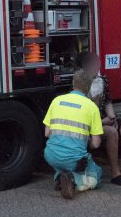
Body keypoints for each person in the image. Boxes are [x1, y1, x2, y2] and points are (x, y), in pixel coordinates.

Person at [78, 52, 121, 186]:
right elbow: (81, 116)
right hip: (88, 125)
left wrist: (112, 117)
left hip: (104, 120)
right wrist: (103, 122)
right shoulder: (80, 83)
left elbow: (107, 101)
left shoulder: (102, 79)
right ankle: (116, 174)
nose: (97, 66)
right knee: (111, 132)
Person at [43, 69, 104, 199]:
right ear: (89, 87)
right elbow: (96, 144)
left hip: (50, 155)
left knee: (62, 164)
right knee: (97, 174)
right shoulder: (91, 107)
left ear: (73, 83)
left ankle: (60, 177)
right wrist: (85, 142)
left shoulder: (57, 100)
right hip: (74, 160)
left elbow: (47, 133)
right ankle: (73, 180)